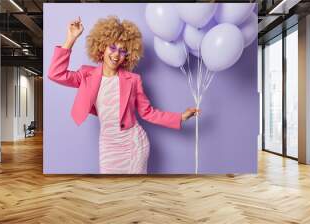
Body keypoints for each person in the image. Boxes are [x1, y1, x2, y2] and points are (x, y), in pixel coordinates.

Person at [48, 16, 200, 174]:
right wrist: (71, 38)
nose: (116, 55)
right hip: (107, 145)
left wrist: (180, 117)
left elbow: (148, 113)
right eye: (112, 48)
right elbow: (55, 74)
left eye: (122, 51)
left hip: (133, 144)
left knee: (134, 192)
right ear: (102, 47)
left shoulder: (133, 80)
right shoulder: (87, 75)